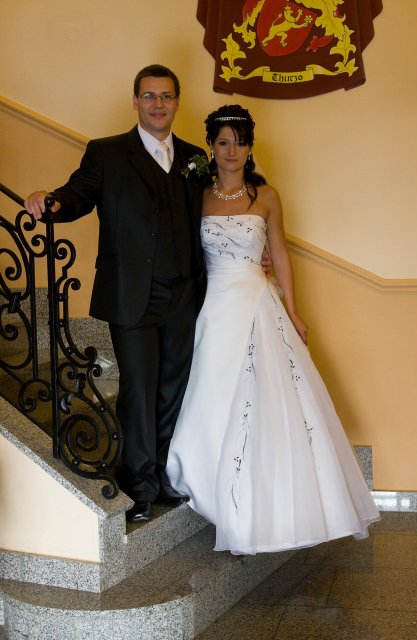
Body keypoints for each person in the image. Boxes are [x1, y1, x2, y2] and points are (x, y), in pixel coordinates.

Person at [166, 104, 380, 555]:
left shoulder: (266, 196)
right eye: (223, 142)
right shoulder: (195, 195)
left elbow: (280, 253)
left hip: (257, 301)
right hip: (213, 306)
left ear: (250, 147)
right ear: (210, 147)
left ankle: (262, 497)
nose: (232, 151)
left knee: (265, 397)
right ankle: (209, 480)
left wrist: (294, 311)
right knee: (212, 392)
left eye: (240, 142)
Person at [24, 65, 208, 522]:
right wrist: (51, 202)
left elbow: (214, 212)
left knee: (174, 388)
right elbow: (78, 195)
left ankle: (164, 473)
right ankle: (139, 484)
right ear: (135, 101)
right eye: (149, 96)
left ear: (177, 101)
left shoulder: (193, 157)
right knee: (139, 388)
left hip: (184, 291)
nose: (158, 104)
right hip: (132, 293)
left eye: (166, 96)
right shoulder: (106, 152)